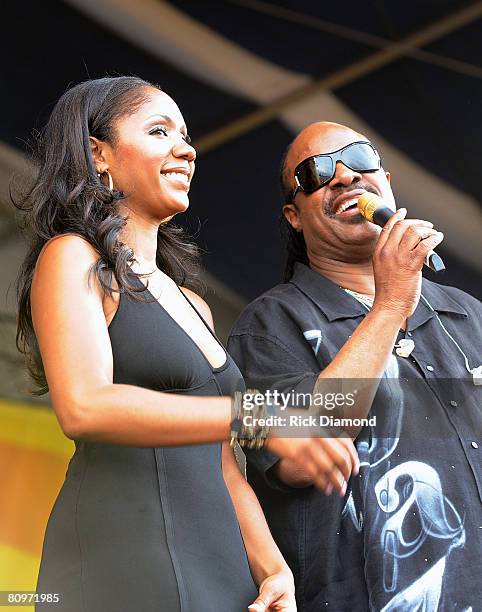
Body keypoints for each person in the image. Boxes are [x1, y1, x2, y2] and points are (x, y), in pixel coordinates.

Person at [14, 78, 360, 612]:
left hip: (219, 569)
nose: (187, 149)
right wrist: (262, 417)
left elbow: (222, 462)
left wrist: (272, 567)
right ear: (97, 153)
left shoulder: (193, 303)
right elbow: (84, 406)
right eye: (159, 131)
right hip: (125, 558)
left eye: (186, 135)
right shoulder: (74, 258)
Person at [228, 122, 482, 611]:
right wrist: (390, 304)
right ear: (294, 216)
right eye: (317, 172)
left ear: (386, 181)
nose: (344, 176)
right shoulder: (265, 328)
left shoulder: (467, 314)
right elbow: (307, 444)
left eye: (360, 158)